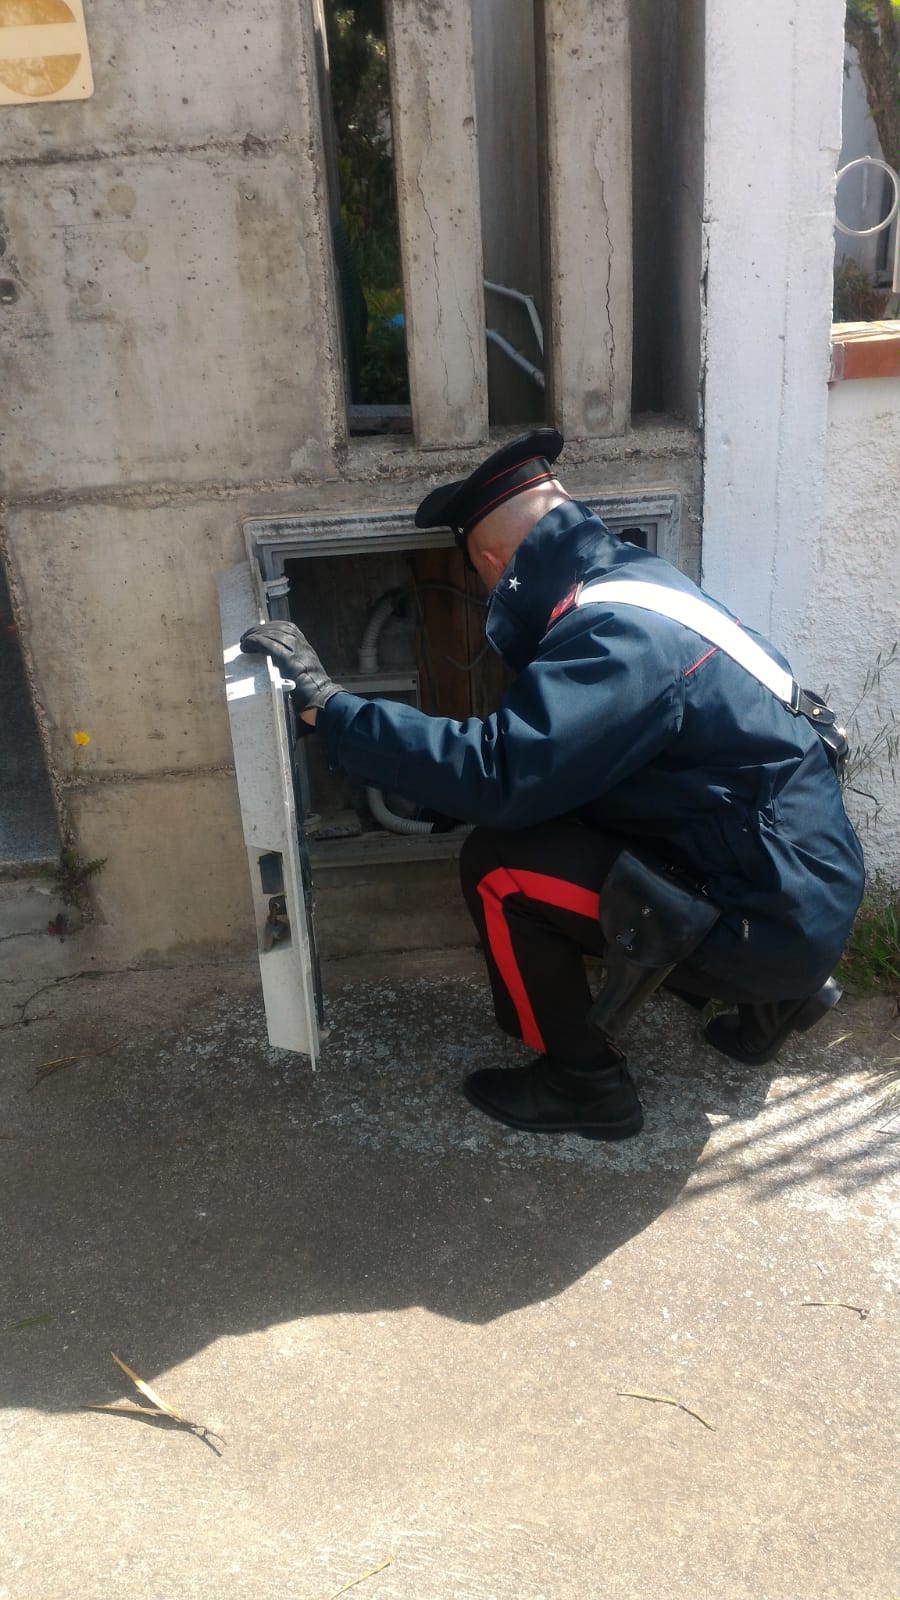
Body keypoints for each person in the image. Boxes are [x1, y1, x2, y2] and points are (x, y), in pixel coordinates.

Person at [240, 430, 865, 1142]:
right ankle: (780, 1001)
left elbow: (499, 774)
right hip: (807, 889)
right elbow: (580, 763)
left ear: (490, 563)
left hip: (765, 927)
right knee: (565, 820)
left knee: (498, 867)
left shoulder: (615, 636)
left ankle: (583, 1083)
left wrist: (334, 712)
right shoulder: (643, 583)